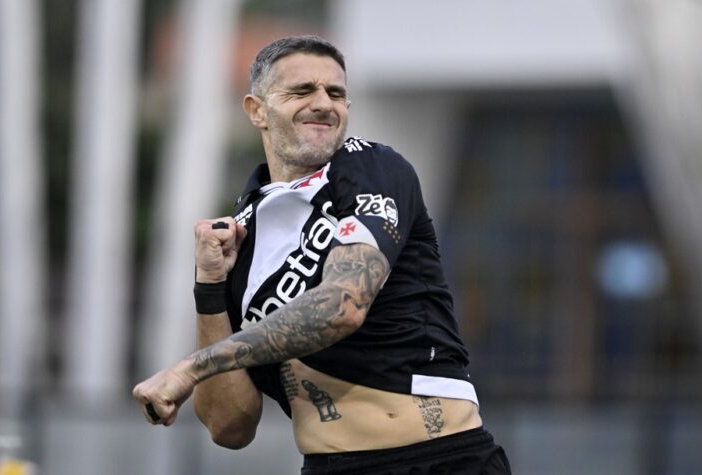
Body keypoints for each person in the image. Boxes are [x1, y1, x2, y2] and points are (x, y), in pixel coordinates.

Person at [133, 35, 511, 474]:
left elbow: (343, 306)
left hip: (439, 458)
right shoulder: (242, 234)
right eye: (301, 91)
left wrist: (191, 367)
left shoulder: (371, 168)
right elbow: (229, 427)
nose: (323, 104)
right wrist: (210, 287)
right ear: (257, 110)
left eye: (335, 93)